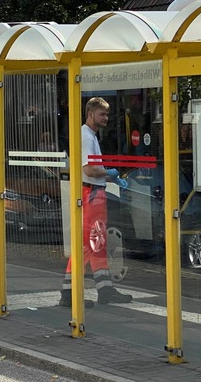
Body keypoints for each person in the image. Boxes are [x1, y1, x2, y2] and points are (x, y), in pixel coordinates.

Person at [59, 97, 132, 308]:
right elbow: (88, 169)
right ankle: (73, 293)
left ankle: (100, 289)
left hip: (92, 194)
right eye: (102, 114)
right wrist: (111, 174)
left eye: (107, 114)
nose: (106, 118)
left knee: (94, 244)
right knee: (91, 243)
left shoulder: (89, 136)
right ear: (90, 113)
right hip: (92, 195)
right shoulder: (87, 137)